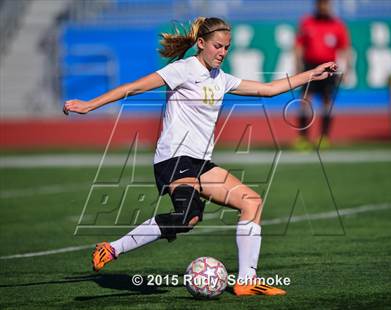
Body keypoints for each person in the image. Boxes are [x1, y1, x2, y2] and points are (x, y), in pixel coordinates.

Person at [64, 16, 336, 296]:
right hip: (174, 158)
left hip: (200, 162)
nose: (223, 52)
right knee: (188, 216)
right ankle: (112, 248)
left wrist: (311, 74)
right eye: (218, 46)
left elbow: (268, 90)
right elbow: (132, 87)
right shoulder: (183, 69)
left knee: (251, 203)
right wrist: (89, 105)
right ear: (202, 43)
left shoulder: (221, 78)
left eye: (227, 47)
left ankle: (246, 281)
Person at [294, 0, 350, 149]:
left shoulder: (337, 25)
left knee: (327, 101)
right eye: (321, 4)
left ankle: (324, 137)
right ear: (317, 5)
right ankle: (303, 138)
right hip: (310, 66)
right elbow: (299, 46)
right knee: (305, 100)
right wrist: (298, 68)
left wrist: (346, 70)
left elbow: (344, 49)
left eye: (327, 4)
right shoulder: (307, 22)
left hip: (329, 67)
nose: (324, 7)